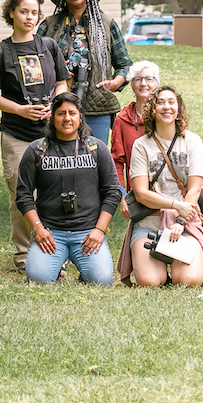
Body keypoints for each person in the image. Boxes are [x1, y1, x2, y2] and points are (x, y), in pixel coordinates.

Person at [0, 0, 68, 272]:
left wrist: (54, 106)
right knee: (22, 196)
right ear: (11, 13)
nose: (29, 17)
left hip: (51, 135)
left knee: (53, 195)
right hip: (16, 135)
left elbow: (62, 83)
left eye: (34, 12)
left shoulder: (49, 47)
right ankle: (23, 256)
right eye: (23, 11)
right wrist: (20, 109)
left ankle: (54, 253)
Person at [16, 92, 124, 285]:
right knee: (39, 279)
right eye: (61, 113)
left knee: (101, 281)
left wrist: (99, 230)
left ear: (80, 117)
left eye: (72, 113)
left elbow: (113, 191)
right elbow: (23, 195)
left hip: (87, 233)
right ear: (52, 117)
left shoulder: (96, 148)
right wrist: (38, 228)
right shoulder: (37, 150)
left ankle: (86, 270)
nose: (67, 118)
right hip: (50, 233)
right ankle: (53, 267)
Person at [121, 86, 203, 288]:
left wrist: (180, 220)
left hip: (185, 222)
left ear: (178, 109)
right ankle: (157, 266)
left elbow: (195, 189)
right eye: (160, 102)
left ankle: (180, 264)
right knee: (150, 281)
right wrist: (175, 205)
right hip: (149, 222)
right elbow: (141, 193)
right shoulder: (141, 145)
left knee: (188, 280)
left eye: (171, 102)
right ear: (152, 109)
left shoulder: (192, 141)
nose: (166, 107)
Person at [38, 0, 132, 144]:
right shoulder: (49, 25)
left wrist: (115, 83)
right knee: (60, 154)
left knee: (94, 154)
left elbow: (125, 65)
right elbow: (34, 62)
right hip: (58, 105)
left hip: (97, 106)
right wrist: (56, 70)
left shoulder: (107, 24)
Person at [111, 61, 160, 178]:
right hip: (136, 187)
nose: (143, 83)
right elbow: (116, 162)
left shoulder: (166, 117)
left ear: (157, 84)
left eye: (149, 79)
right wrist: (120, 188)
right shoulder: (122, 120)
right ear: (132, 84)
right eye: (138, 79)